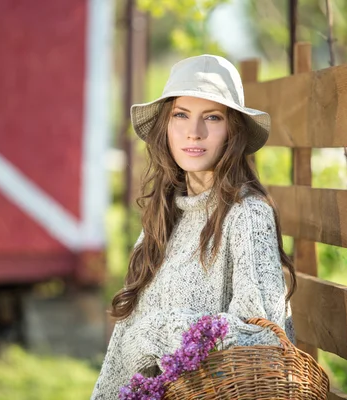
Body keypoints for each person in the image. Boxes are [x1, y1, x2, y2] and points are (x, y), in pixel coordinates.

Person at [91, 54, 296, 399]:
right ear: (166, 127)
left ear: (234, 130)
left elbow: (265, 341)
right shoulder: (165, 218)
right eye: (181, 115)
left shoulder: (247, 215)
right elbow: (122, 352)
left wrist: (159, 330)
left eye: (212, 118)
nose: (194, 132)